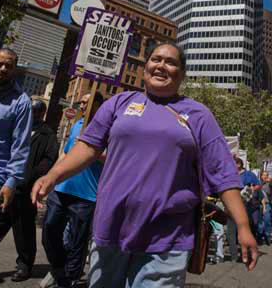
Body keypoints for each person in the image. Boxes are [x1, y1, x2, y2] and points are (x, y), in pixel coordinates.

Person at [32, 43, 258, 288]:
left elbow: (223, 174)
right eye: (156, 59)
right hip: (110, 228)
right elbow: (88, 147)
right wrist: (53, 175)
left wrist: (243, 226)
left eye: (170, 62)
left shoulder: (199, 115)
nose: (161, 65)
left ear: (181, 74)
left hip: (167, 237)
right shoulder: (118, 103)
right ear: (145, 67)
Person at [0, 99, 59, 281]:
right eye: (30, 110)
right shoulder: (17, 127)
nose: (32, 114)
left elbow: (49, 159)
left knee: (24, 230)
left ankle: (25, 265)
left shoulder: (47, 134)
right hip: (6, 188)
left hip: (25, 191)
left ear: (42, 113)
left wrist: (30, 178)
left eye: (36, 111)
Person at [41, 91, 104, 288]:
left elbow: (112, 159)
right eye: (81, 103)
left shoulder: (107, 129)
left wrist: (92, 149)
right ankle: (59, 269)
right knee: (49, 231)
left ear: (98, 105)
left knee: (78, 242)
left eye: (87, 102)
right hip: (62, 188)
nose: (83, 106)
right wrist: (50, 177)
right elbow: (66, 156)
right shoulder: (78, 125)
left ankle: (70, 278)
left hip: (86, 194)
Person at [0, 48, 32, 233]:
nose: (3, 69)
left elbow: (20, 146)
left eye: (8, 66)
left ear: (14, 70)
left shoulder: (21, 103)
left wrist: (11, 181)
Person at [257, 171, 272, 245]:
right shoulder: (258, 184)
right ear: (260, 176)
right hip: (259, 205)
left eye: (266, 175)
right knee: (260, 223)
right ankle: (259, 236)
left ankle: (267, 235)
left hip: (267, 204)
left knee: (267, 220)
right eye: (263, 175)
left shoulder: (269, 184)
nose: (265, 176)